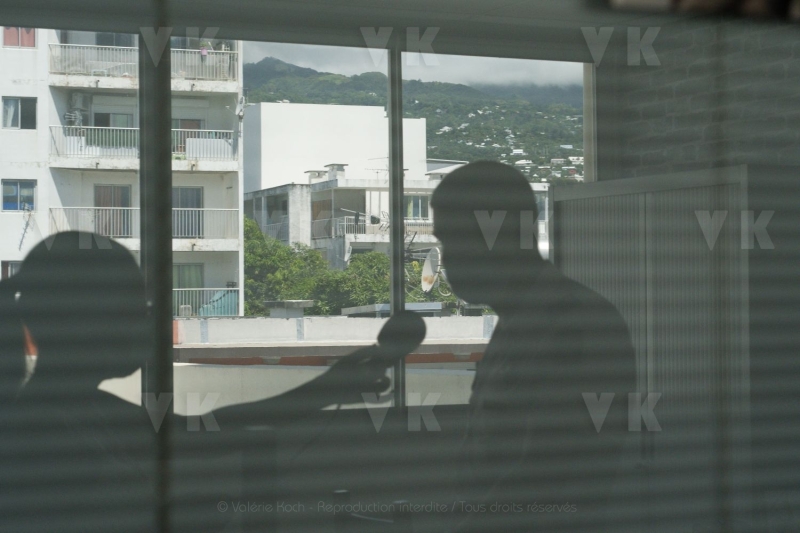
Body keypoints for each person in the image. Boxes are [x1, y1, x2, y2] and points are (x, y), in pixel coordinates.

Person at [0, 231, 394, 532]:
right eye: (133, 308)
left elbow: (214, 426)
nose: (147, 323)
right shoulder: (49, 429)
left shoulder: (80, 411)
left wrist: (331, 385)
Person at [430, 161, 636, 532]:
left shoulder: (572, 322)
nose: (445, 258)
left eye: (453, 239)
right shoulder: (518, 323)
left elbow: (542, 481)